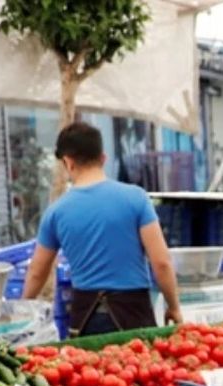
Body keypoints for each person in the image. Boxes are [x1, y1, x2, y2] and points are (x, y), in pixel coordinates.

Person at [22, 122, 183, 336]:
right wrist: (173, 306)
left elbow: (37, 272)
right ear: (103, 158)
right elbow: (161, 262)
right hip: (134, 315)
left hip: (85, 320)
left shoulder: (56, 212)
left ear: (68, 163)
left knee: (92, 369)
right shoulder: (135, 198)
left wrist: (21, 311)